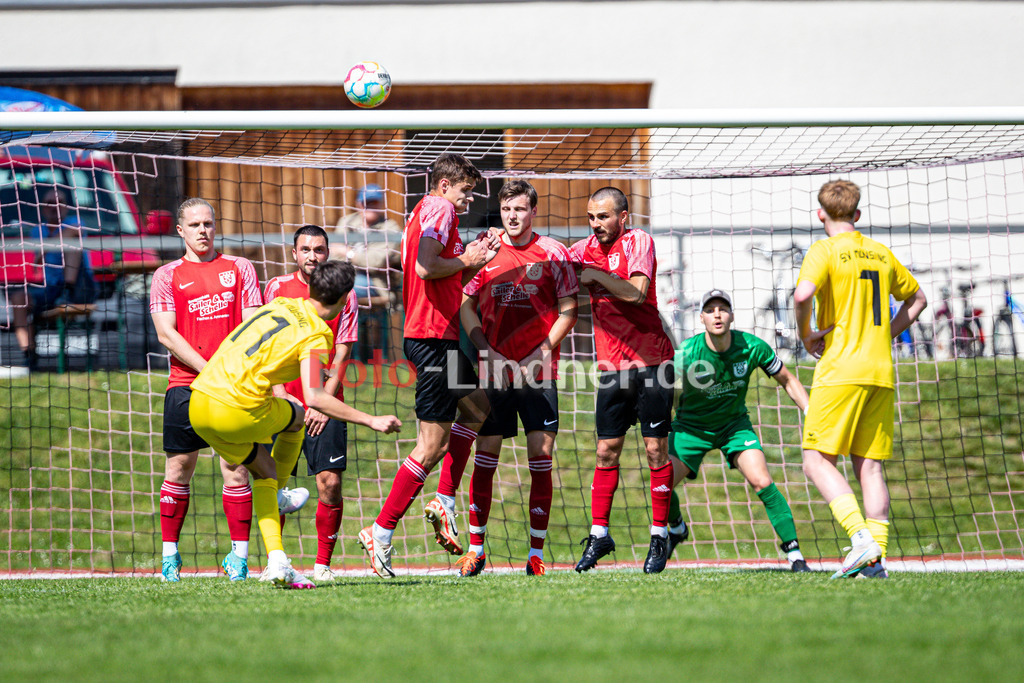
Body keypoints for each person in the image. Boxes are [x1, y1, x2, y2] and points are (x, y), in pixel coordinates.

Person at [189, 260, 402, 589]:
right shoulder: (317, 333)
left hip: (199, 403)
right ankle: (281, 493)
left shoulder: (282, 304)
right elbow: (315, 397)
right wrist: (371, 420)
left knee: (264, 472)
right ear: (345, 297)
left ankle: (278, 561)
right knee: (298, 416)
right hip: (236, 408)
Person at [357, 153, 500, 578]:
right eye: (465, 191)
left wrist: (477, 257)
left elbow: (427, 268)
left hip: (440, 335)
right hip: (431, 338)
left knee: (477, 409)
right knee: (430, 445)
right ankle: (380, 533)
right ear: (443, 186)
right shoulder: (438, 208)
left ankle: (444, 500)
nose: (468, 200)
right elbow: (424, 265)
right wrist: (469, 260)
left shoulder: (422, 210)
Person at [150, 197, 291, 584]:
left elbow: (252, 326)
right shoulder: (167, 275)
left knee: (236, 469)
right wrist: (210, 369)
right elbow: (166, 333)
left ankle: (239, 559)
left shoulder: (239, 268)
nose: (203, 231)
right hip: (186, 385)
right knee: (180, 468)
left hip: (235, 387)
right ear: (180, 230)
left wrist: (239, 373)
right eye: (194, 225)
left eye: (208, 224)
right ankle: (169, 557)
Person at [794, 179, 927, 579]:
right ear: (857, 214)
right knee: (869, 467)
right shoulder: (881, 253)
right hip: (880, 371)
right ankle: (876, 560)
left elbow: (802, 296)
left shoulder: (824, 249)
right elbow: (918, 299)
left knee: (816, 461)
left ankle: (860, 538)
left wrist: (806, 335)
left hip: (841, 369)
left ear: (820, 214)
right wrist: (885, 332)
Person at [454, 179, 578, 578]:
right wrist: (485, 349)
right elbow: (465, 305)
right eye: (507, 208)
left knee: (540, 459)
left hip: (539, 373)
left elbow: (569, 309)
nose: (513, 216)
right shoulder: (486, 249)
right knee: (485, 456)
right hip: (493, 370)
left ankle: (536, 554)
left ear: (533, 211)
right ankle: (476, 549)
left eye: (520, 209)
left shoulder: (554, 252)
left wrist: (540, 353)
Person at [568, 186, 677, 574]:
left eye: (604, 217)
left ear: (623, 217)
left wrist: (595, 274)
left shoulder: (638, 241)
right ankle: (600, 535)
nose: (596, 224)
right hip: (612, 367)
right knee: (605, 451)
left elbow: (636, 292)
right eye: (592, 217)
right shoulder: (582, 250)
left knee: (654, 451)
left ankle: (660, 535)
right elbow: (551, 262)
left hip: (653, 362)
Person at [666, 288, 812, 572]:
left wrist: (811, 413)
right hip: (691, 428)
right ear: (702, 319)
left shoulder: (752, 346)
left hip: (733, 427)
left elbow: (788, 380)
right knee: (660, 483)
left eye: (722, 309)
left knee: (762, 482)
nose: (717, 315)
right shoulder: (686, 353)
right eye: (710, 310)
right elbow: (664, 391)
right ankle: (676, 528)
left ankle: (795, 555)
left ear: (732, 315)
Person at [264, 225, 359, 583]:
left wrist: (321, 403)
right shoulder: (276, 288)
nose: (312, 256)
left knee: (330, 483)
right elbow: (267, 348)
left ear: (327, 252)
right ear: (293, 253)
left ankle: (323, 565)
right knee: (274, 485)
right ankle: (277, 561)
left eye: (319, 249)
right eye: (305, 249)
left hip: (326, 404)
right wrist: (279, 393)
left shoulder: (343, 294)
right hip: (280, 404)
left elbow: (341, 356)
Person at [8, 187, 98, 371]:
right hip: (52, 289)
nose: (54, 207)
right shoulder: (37, 231)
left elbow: (72, 234)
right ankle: (29, 355)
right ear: (42, 208)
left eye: (59, 203)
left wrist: (47, 247)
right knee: (19, 299)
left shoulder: (75, 222)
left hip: (81, 287)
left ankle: (68, 290)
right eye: (49, 204)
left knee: (72, 247)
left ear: (66, 207)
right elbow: (36, 262)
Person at [333, 183, 403, 303]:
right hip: (345, 275)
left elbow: (376, 261)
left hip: (376, 282)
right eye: (366, 202)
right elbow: (334, 255)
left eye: (374, 202)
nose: (370, 207)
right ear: (358, 204)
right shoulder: (346, 221)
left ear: (381, 204)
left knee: (344, 288)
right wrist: (360, 259)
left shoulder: (390, 228)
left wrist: (348, 253)